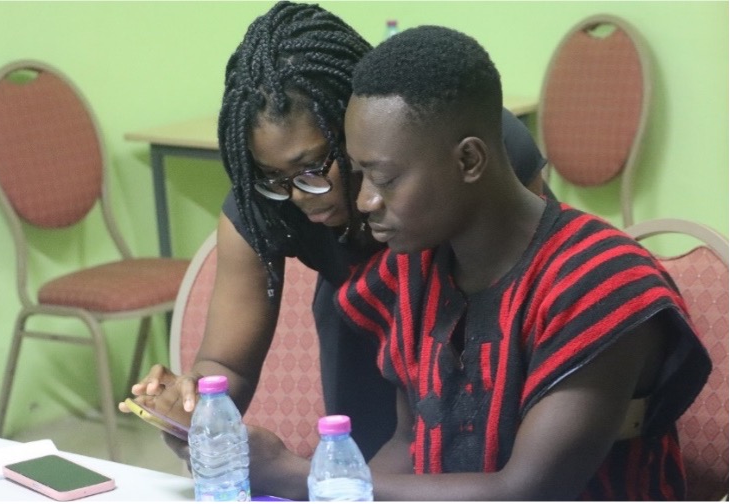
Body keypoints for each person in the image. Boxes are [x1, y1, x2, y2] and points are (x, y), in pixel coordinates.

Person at [243, 26, 712, 500]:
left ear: (469, 160)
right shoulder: (414, 273)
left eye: (384, 179)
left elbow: (527, 491)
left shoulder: (599, 282)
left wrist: (299, 475)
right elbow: (408, 447)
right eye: (360, 176)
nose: (364, 201)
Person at [121, 1, 550, 461]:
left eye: (312, 168)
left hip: (483, 319)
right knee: (366, 455)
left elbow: (544, 270)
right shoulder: (267, 203)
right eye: (273, 177)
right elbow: (227, 362)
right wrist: (194, 407)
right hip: (356, 325)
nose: (301, 196)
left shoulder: (460, 139)